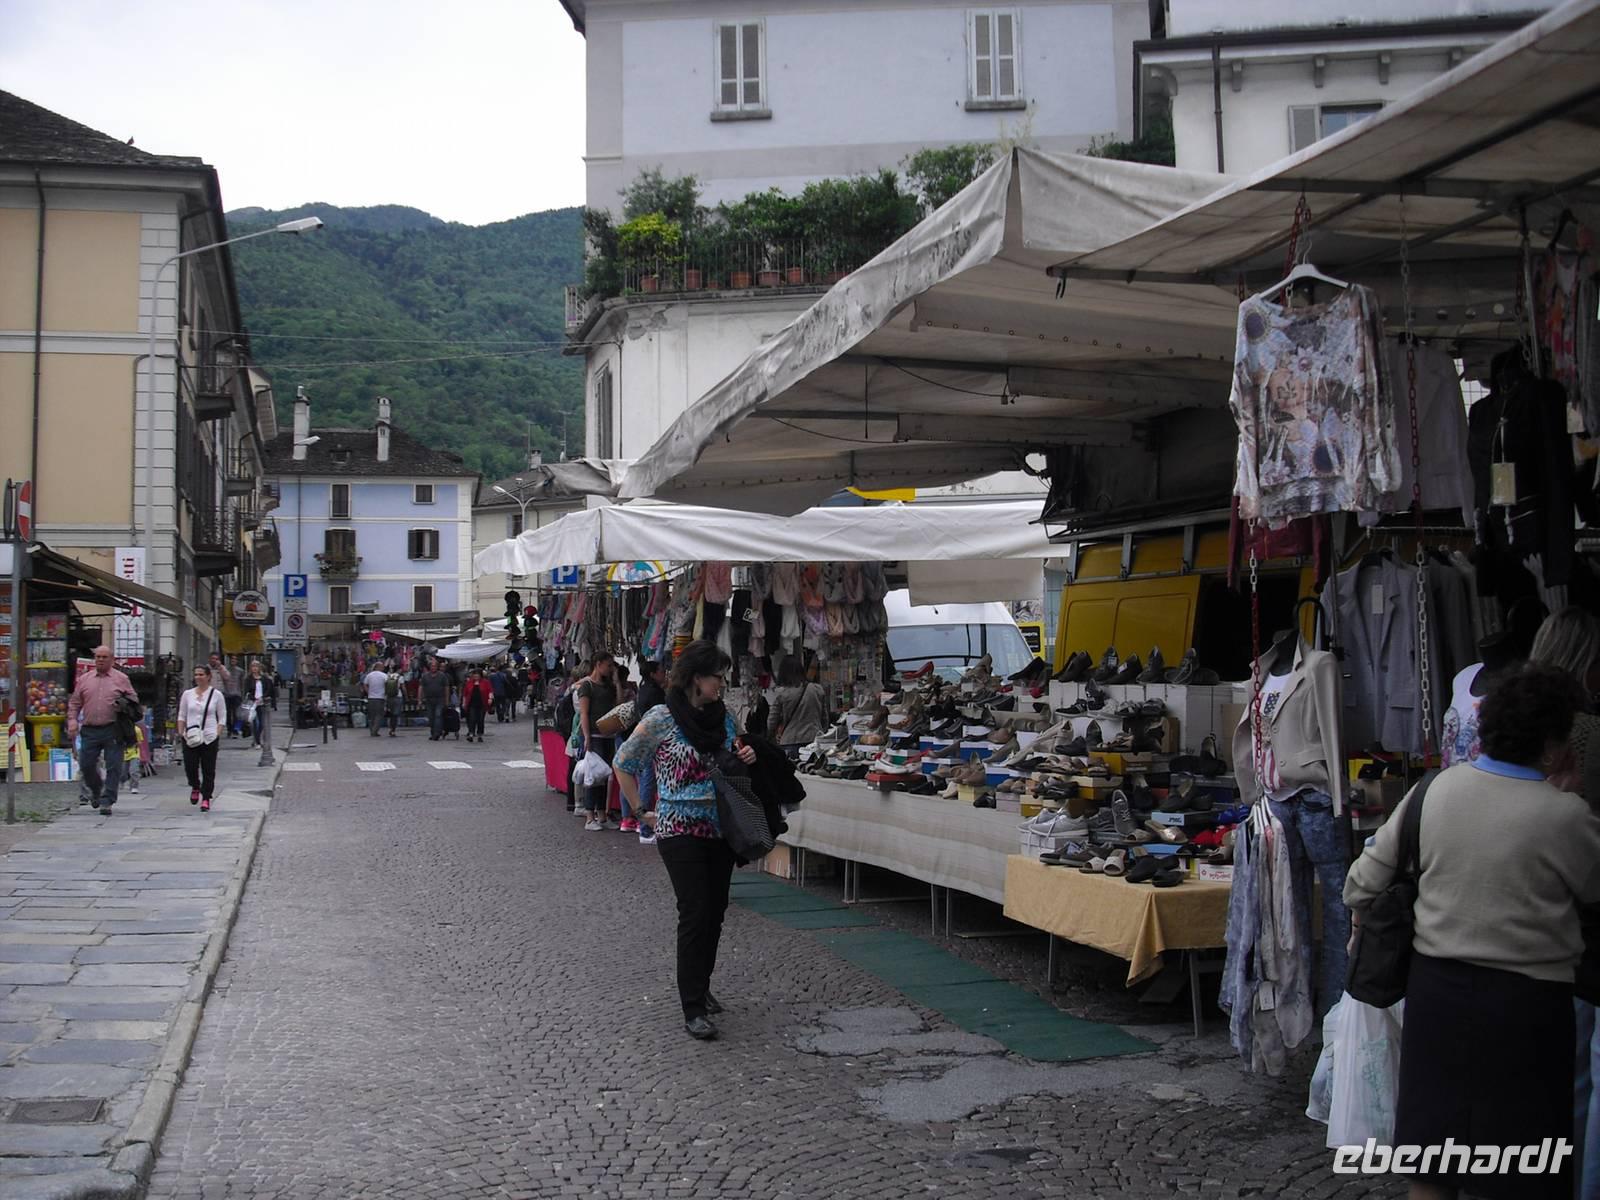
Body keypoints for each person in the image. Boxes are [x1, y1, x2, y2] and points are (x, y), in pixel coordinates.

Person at [1345, 664, 1600, 1200]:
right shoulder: (1566, 817)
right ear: (1552, 746)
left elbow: (1362, 882)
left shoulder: (1433, 789)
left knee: (1433, 1163)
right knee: (1520, 1167)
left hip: (1438, 997)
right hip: (1529, 1005)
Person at [615, 640, 756, 1041]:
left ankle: (703, 984)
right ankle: (691, 1006)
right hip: (679, 829)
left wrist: (747, 758)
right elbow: (624, 763)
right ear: (697, 677)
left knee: (716, 911)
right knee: (694, 911)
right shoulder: (660, 718)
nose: (722, 685)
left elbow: (736, 753)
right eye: (718, 677)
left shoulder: (724, 717)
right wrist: (641, 808)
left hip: (721, 827)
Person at [1525, 607, 1600, 1195]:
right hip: (1577, 922)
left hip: (1523, 916)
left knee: (1553, 1073)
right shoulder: (1586, 735)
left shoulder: (1504, 727)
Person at [67, 645, 137, 815]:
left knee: (114, 766)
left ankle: (108, 800)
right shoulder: (85, 679)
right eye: (98, 657)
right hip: (90, 728)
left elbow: (134, 700)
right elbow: (75, 702)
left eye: (104, 657)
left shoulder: (121, 679)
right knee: (86, 764)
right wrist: (72, 721)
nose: (100, 660)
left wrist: (124, 705)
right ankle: (96, 790)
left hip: (113, 728)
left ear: (112, 660)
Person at [576, 653, 620, 832]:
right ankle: (589, 816)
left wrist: (617, 683)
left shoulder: (609, 686)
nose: (610, 669)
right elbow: (584, 713)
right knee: (593, 777)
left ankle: (602, 815)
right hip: (594, 736)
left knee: (604, 776)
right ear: (598, 664)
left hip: (607, 735)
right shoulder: (586, 686)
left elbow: (618, 706)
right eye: (608, 666)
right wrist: (586, 737)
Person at [177, 664, 226, 813]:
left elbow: (222, 717)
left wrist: (217, 732)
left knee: (208, 769)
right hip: (191, 736)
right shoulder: (187, 694)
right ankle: (195, 786)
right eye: (196, 674)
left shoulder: (216, 695)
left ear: (208, 676)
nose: (198, 677)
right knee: (190, 766)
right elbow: (182, 714)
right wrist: (181, 732)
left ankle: (206, 797)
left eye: (201, 674)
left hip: (209, 737)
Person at [771, 655, 828, 755]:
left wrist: (775, 734)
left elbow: (771, 722)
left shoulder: (782, 694)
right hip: (814, 739)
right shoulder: (817, 689)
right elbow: (824, 718)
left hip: (790, 741)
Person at [243, 660, 277, 750]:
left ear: (259, 668)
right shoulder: (248, 679)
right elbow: (246, 691)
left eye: (256, 666)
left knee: (262, 723)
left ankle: (256, 739)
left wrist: (263, 697)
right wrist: (253, 699)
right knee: (255, 722)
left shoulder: (264, 679)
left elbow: (269, 689)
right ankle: (257, 741)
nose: (254, 668)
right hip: (252, 703)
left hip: (262, 702)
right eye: (253, 666)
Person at [210, 652, 240, 738]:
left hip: (232, 694)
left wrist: (220, 667)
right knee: (226, 713)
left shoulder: (224, 668)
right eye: (213, 659)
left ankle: (234, 729)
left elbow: (227, 677)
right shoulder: (207, 669)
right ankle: (228, 729)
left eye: (216, 659)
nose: (214, 661)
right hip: (224, 694)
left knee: (235, 713)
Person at [420, 659, 449, 741]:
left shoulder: (442, 676)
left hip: (440, 699)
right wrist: (420, 699)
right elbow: (421, 687)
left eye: (435, 666)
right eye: (432, 666)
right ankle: (433, 732)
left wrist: (447, 700)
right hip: (429, 699)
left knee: (438, 715)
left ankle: (437, 733)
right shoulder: (425, 676)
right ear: (429, 667)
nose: (433, 667)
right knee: (431, 717)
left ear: (437, 667)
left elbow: (446, 688)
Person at [462, 668, 493, 742]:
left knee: (480, 719)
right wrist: (464, 702)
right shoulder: (469, 683)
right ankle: (471, 733)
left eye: (477, 675)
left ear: (480, 676)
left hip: (482, 703)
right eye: (474, 675)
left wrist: (490, 698)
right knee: (472, 719)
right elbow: (465, 694)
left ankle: (480, 734)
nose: (476, 677)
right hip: (472, 703)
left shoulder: (486, 682)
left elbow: (490, 691)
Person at [363, 661, 389, 737]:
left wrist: (368, 692)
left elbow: (365, 684)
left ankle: (372, 730)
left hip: (371, 697)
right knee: (379, 715)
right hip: (380, 697)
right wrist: (386, 693)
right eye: (382, 667)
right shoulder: (384, 675)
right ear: (379, 667)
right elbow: (388, 684)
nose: (383, 668)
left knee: (372, 715)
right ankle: (375, 731)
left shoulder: (369, 675)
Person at [383, 667, 401, 736]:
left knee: (391, 713)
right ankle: (393, 729)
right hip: (398, 697)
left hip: (389, 697)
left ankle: (391, 727)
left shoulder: (387, 677)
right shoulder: (400, 677)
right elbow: (403, 687)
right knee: (395, 714)